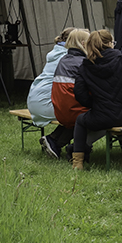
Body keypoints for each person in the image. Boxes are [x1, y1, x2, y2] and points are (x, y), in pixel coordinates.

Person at [71, 30, 122, 170]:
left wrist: (93, 104)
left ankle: (77, 163)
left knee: (80, 120)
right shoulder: (120, 58)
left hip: (102, 115)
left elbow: (79, 93)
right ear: (109, 43)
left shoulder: (86, 65)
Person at [26, 27, 73, 155]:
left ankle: (52, 140)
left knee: (76, 112)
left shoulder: (55, 52)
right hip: (45, 103)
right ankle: (57, 143)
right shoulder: (68, 57)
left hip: (33, 100)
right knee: (80, 114)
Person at [48, 29, 92, 160]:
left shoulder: (63, 60)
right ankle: (81, 148)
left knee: (76, 116)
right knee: (102, 114)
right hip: (74, 111)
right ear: (84, 44)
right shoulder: (83, 62)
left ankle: (55, 141)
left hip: (60, 110)